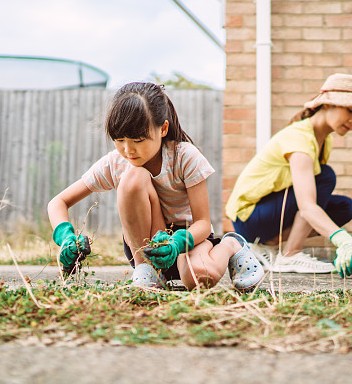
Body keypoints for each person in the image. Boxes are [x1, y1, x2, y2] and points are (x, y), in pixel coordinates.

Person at [48, 82, 263, 292]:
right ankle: (147, 271)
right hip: (146, 247)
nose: (128, 150)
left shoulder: (184, 157)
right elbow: (58, 202)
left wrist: (177, 244)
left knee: (197, 278)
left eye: (138, 140)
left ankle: (232, 245)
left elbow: (203, 223)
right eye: (119, 139)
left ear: (163, 129)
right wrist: (65, 237)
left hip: (189, 240)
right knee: (133, 178)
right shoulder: (115, 163)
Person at [225, 73, 352, 277]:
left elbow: (311, 197)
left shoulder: (324, 141)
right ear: (327, 104)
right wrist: (342, 239)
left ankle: (268, 247)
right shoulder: (300, 137)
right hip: (249, 218)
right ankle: (290, 254)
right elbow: (307, 206)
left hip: (266, 216)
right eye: (350, 110)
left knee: (345, 207)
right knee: (326, 176)